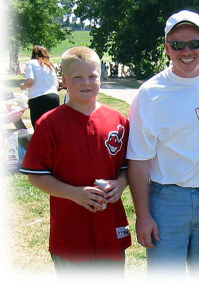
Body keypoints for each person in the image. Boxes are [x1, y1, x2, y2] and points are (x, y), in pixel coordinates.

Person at [126, 10, 199, 277]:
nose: (186, 51)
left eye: (194, 43)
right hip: (167, 201)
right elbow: (139, 161)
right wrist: (143, 215)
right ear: (167, 48)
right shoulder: (151, 93)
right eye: (177, 45)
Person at [20, 46, 131, 277]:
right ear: (63, 80)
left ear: (101, 77)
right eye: (77, 77)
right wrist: (74, 193)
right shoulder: (49, 123)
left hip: (110, 225)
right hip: (70, 229)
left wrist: (120, 184)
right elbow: (35, 174)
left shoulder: (118, 120)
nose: (86, 83)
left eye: (92, 76)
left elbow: (127, 167)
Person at [20, 45, 61, 128]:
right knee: (53, 126)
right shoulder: (50, 66)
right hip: (54, 96)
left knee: (39, 127)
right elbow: (56, 85)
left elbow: (30, 81)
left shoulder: (31, 63)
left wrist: (23, 86)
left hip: (38, 98)